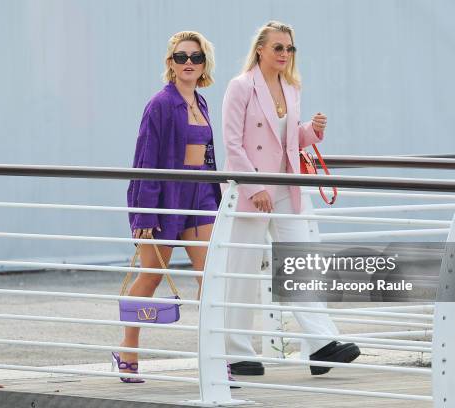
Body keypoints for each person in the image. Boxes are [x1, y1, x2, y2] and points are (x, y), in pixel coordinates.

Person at [221, 21, 360, 376]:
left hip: (288, 187)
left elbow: (285, 141)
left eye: (290, 48)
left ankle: (320, 345)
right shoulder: (240, 87)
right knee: (243, 271)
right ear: (260, 50)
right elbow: (233, 146)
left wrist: (311, 132)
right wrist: (257, 187)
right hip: (252, 189)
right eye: (278, 47)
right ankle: (236, 352)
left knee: (301, 264)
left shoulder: (292, 87)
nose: (285, 54)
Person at [115, 31, 222, 383]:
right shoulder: (160, 104)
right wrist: (144, 213)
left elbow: (207, 158)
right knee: (151, 276)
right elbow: (145, 160)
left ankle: (213, 358)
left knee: (209, 276)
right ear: (170, 63)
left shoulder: (202, 102)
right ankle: (127, 349)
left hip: (201, 197)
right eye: (181, 57)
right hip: (165, 199)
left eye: (195, 57)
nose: (188, 63)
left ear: (204, 64)